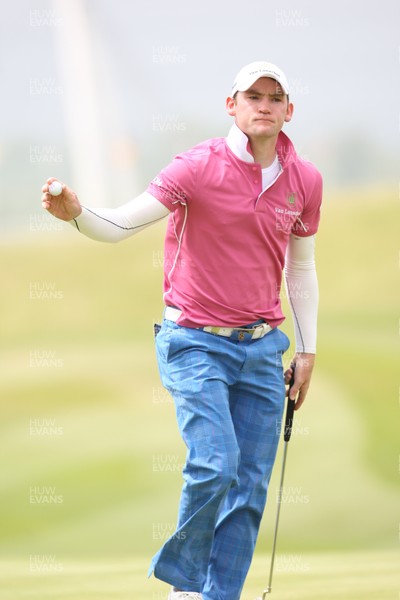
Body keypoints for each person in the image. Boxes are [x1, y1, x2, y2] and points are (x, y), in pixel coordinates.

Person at [41, 61, 322, 600]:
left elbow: (302, 268)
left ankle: (219, 596)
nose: (264, 105)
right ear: (232, 106)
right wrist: (77, 212)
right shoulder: (196, 167)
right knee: (216, 465)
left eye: (275, 97)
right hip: (194, 340)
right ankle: (186, 588)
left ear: (289, 110)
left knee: (249, 489)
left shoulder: (305, 180)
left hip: (263, 347)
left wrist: (307, 350)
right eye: (253, 96)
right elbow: (120, 224)